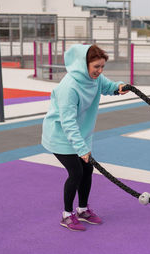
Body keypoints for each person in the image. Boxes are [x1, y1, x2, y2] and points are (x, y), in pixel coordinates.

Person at [41, 44, 129, 231]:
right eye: (96, 66)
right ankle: (67, 215)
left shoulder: (94, 78)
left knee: (87, 170)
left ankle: (82, 210)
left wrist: (118, 87)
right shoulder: (69, 87)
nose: (99, 71)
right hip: (61, 135)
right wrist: (82, 149)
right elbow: (68, 123)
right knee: (76, 173)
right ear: (84, 64)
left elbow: (107, 86)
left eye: (102, 67)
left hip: (81, 134)